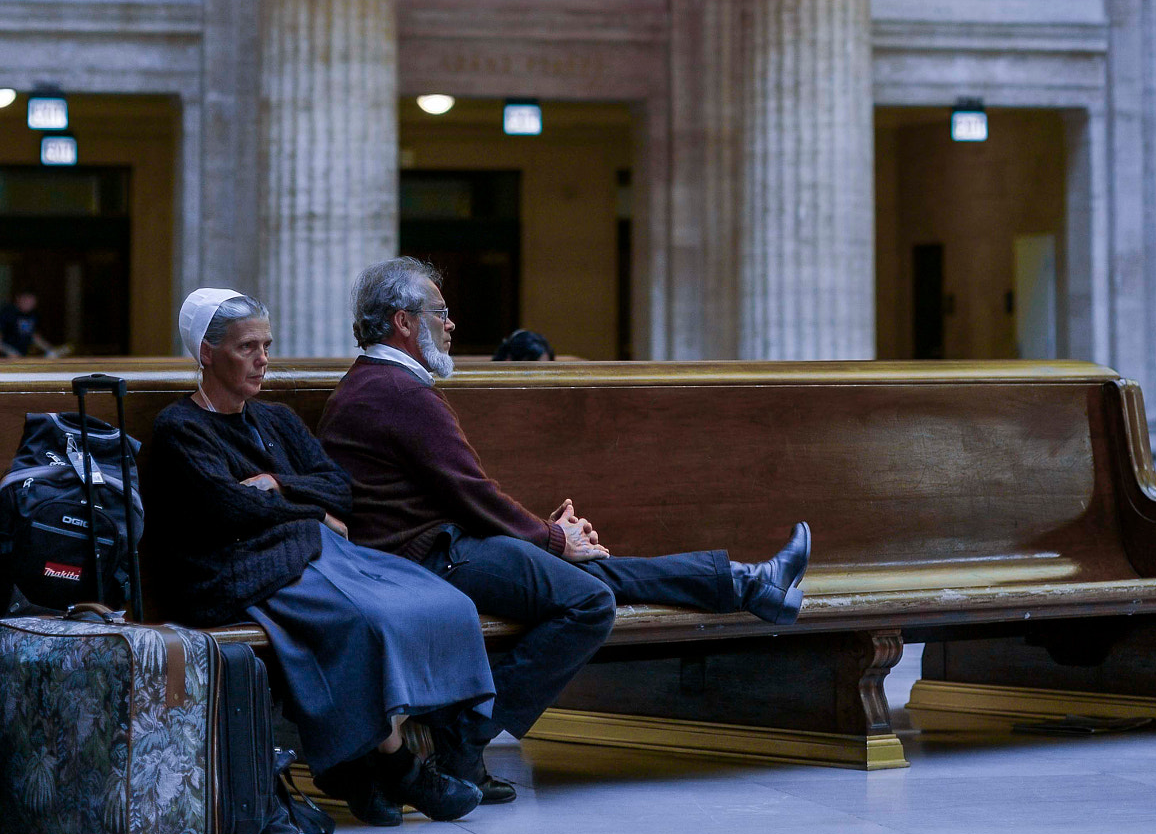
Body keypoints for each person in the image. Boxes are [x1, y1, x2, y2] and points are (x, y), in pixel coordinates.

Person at [318, 258, 812, 801]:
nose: (451, 324)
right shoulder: (397, 390)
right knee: (589, 601)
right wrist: (551, 540)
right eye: (440, 312)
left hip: (445, 546)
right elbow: (471, 492)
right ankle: (461, 737)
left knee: (596, 572)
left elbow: (459, 492)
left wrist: (550, 540)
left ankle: (749, 583)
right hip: (427, 559)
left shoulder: (381, 383)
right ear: (402, 322)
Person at [145, 286, 494, 829]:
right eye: (246, 348)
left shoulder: (278, 419)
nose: (263, 359)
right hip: (232, 570)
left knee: (437, 601)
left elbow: (340, 489)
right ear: (207, 354)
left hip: (306, 554)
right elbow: (227, 509)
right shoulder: (178, 429)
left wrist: (279, 485)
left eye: (266, 345)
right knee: (364, 622)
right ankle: (401, 768)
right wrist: (310, 515)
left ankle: (366, 772)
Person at [0, 289, 59, 358]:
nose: (29, 302)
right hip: (0, 359)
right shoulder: (6, 314)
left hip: (21, 357)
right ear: (18, 298)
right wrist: (10, 352)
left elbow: (34, 336)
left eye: (32, 300)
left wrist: (50, 350)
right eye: (26, 299)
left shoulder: (33, 315)